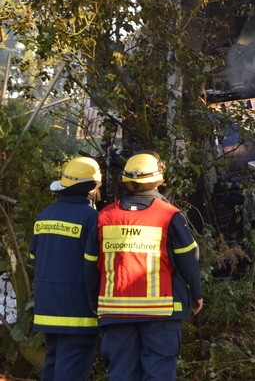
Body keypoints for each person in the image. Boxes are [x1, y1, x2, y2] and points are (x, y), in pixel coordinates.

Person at [97, 152, 203, 381]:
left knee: (121, 374)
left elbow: (90, 263)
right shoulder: (169, 215)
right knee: (159, 374)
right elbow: (189, 258)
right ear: (158, 179)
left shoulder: (105, 216)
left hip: (117, 313)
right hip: (160, 313)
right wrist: (196, 293)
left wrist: (91, 300)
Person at [29, 156, 103, 381]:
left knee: (53, 365)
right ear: (91, 188)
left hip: (47, 309)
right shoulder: (91, 219)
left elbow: (35, 257)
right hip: (77, 311)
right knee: (71, 370)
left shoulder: (44, 216)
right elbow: (96, 264)